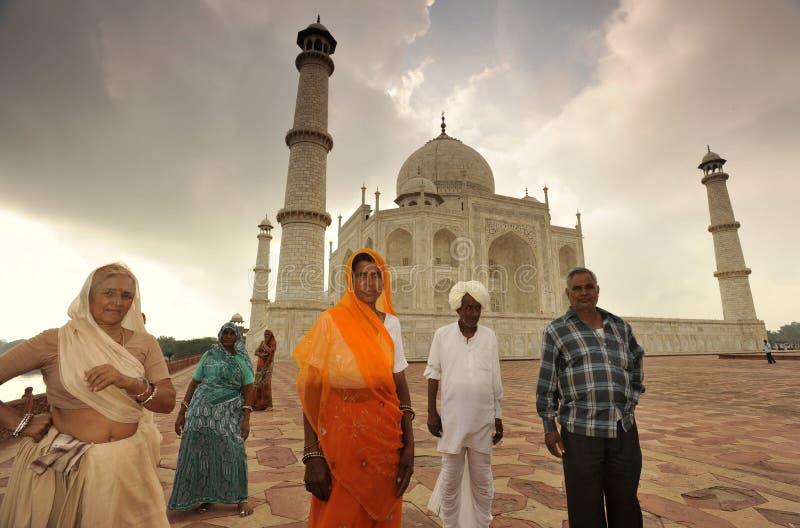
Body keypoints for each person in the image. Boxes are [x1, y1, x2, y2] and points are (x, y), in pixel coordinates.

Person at [0, 263, 176, 527]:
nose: (118, 302)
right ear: (88, 295)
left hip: (126, 464)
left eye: (126, 295)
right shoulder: (54, 341)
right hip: (66, 467)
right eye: (108, 292)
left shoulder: (144, 343)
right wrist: (17, 423)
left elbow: (167, 402)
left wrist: (128, 382)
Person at [294, 248, 414, 527]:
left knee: (380, 514)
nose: (369, 282)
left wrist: (409, 443)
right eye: (362, 276)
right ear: (351, 281)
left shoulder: (392, 324)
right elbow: (312, 388)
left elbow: (400, 384)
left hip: (385, 441)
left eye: (376, 275)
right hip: (340, 442)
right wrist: (312, 453)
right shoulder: (331, 321)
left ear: (383, 282)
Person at [536, 267, 645, 528]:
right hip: (580, 431)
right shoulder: (557, 330)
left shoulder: (619, 326)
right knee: (585, 506)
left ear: (597, 290)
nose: (584, 293)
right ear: (568, 294)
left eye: (589, 287)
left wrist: (631, 399)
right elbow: (547, 382)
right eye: (577, 288)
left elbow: (636, 359)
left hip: (622, 428)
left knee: (626, 501)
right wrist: (549, 427)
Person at [426, 281, 503, 528]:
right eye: (467, 307)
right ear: (458, 309)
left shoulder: (489, 337)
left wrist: (498, 416)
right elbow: (433, 374)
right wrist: (431, 412)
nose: (472, 313)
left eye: (476, 308)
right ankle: (451, 525)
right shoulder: (443, 335)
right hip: (453, 419)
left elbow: (495, 378)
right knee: (450, 478)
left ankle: (482, 524)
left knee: (483, 480)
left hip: (482, 419)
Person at [168, 322, 255, 517]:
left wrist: (246, 417)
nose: (228, 336)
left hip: (228, 410)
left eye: (232, 333)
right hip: (200, 411)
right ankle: (205, 496)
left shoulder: (240, 359)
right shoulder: (209, 356)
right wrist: (182, 412)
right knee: (201, 452)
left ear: (238, 336)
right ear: (220, 334)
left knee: (233, 449)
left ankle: (241, 499)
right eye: (225, 332)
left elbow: (249, 386)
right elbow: (194, 382)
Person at [253, 329, 277, 410]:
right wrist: (262, 354)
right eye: (265, 335)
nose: (266, 336)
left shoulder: (273, 343)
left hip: (268, 367)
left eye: (268, 335)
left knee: (265, 384)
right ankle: (258, 404)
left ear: (271, 336)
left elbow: (270, 351)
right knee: (257, 383)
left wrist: (264, 345)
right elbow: (256, 352)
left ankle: (267, 405)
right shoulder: (262, 342)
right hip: (260, 366)